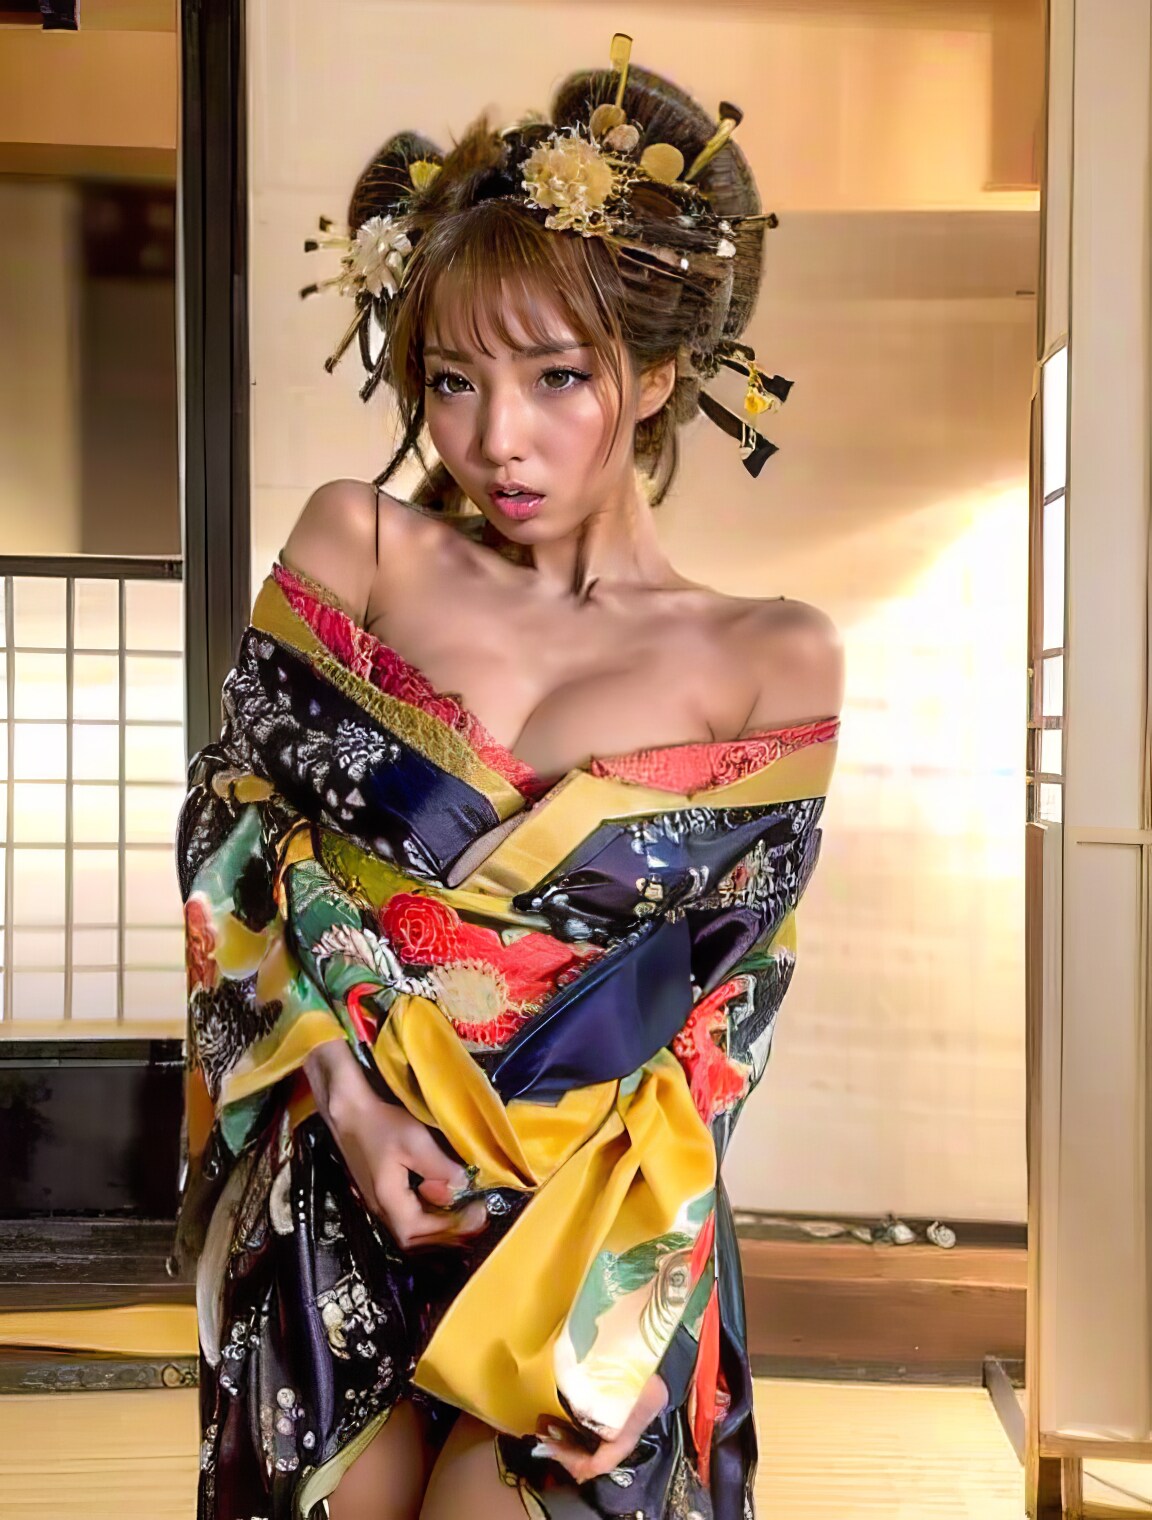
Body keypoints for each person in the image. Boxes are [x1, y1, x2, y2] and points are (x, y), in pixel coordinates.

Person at [173, 35, 844, 1520]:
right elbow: (234, 831)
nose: (496, 440)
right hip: (347, 1164)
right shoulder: (359, 544)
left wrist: (632, 1320)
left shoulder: (774, 656)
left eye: (557, 378)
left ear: (658, 375)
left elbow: (728, 1014)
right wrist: (346, 1100)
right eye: (454, 380)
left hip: (588, 1220)